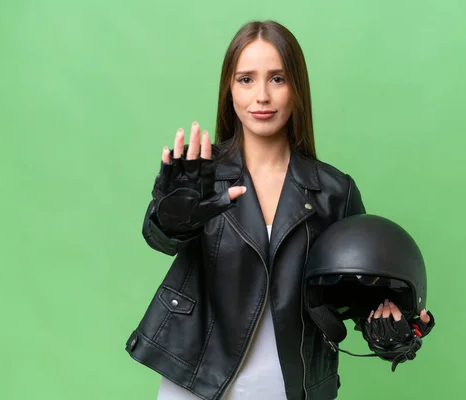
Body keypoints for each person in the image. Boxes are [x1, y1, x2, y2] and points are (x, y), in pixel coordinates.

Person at [125, 20, 432, 400]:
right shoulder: (203, 178)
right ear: (229, 91)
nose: (262, 97)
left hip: (292, 386)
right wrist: (167, 220)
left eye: (277, 79)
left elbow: (360, 295)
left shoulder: (335, 192)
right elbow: (161, 236)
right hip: (196, 383)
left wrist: (392, 327)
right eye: (246, 79)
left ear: (296, 89)